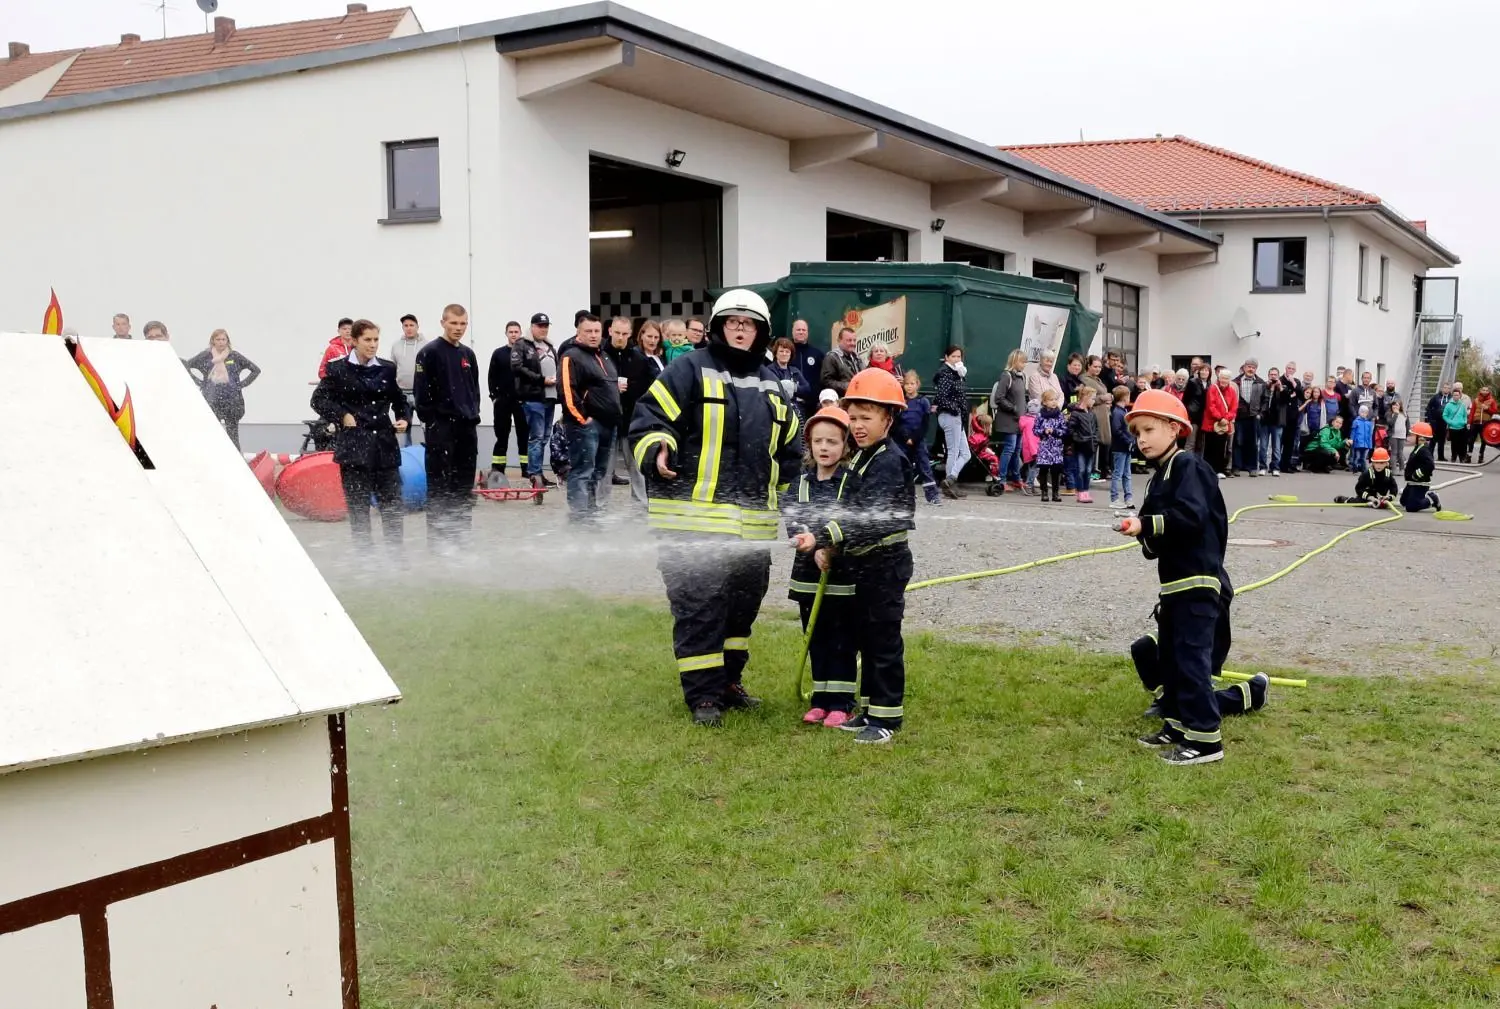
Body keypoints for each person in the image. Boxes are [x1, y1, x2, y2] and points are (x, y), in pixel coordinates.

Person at [629, 289, 803, 726]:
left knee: (741, 609)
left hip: (752, 530)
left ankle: (728, 682)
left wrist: (792, 505)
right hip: (691, 524)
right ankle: (703, 697)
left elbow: (791, 452)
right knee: (699, 608)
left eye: (749, 323)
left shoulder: (773, 384)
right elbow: (648, 420)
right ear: (719, 327)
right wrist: (658, 448)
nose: (741, 329)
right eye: (733, 322)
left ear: (761, 331)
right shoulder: (688, 368)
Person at [1115, 389, 1232, 766]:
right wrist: (1141, 530)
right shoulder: (1158, 479)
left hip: (1199, 581)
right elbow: (1155, 536)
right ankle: (1178, 724)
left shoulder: (1189, 467)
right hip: (1174, 586)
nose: (1141, 439)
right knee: (1173, 659)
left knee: (1192, 659)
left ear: (1174, 428)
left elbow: (1193, 517)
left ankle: (1206, 741)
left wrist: (1146, 524)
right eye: (1136, 433)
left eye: (1149, 429)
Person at [805, 368, 914, 745]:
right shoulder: (864, 458)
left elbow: (868, 518)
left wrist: (825, 536)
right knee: (867, 640)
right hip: (865, 565)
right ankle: (868, 709)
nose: (857, 425)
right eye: (852, 417)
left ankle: (886, 719)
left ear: (889, 418)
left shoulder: (888, 462)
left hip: (885, 564)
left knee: (883, 643)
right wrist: (828, 543)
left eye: (867, 417)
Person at [785, 405, 859, 728]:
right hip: (807, 579)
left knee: (841, 639)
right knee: (815, 638)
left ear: (845, 446)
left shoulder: (850, 483)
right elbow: (792, 517)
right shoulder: (799, 483)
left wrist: (829, 548)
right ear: (809, 444)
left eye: (832, 441)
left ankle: (842, 702)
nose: (824, 448)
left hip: (840, 578)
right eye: (818, 441)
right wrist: (802, 539)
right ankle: (820, 700)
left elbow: (851, 521)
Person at [311, 319, 410, 545]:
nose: (373, 344)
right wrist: (342, 415)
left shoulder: (387, 368)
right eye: (367, 340)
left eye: (376, 340)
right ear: (354, 341)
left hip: (385, 448)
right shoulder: (338, 369)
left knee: (392, 508)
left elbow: (399, 401)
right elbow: (318, 400)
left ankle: (396, 560)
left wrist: (403, 418)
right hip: (354, 450)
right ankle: (365, 561)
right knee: (359, 511)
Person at [413, 305, 480, 549]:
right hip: (441, 428)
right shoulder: (429, 353)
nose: (458, 329)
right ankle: (439, 542)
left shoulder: (468, 354)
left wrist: (473, 414)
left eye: (463, 324)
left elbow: (475, 390)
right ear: (443, 322)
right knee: (441, 485)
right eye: (454, 324)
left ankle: (461, 537)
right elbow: (421, 395)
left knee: (463, 485)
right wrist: (433, 422)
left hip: (467, 428)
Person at [559, 313, 621, 523]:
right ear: (579, 332)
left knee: (599, 472)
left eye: (597, 331)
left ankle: (590, 514)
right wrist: (581, 418)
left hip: (608, 424)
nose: (593, 335)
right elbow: (567, 391)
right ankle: (579, 518)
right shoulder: (571, 356)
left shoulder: (603, 355)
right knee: (583, 471)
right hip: (585, 425)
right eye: (588, 331)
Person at [1130, 634, 1267, 721]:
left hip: (1200, 626)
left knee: (1189, 707)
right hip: (1178, 619)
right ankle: (1167, 702)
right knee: (1143, 648)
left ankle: (1250, 694)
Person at [182, 328, 261, 449]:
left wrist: (240, 385)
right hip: (212, 401)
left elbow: (255, 370)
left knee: (233, 436)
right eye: (218, 339)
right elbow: (185, 366)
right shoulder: (205, 356)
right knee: (212, 435)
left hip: (232, 402)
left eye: (223, 339)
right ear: (212, 341)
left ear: (227, 341)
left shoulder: (234, 356)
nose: (221, 342)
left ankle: (236, 462)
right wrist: (200, 383)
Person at [512, 312, 559, 488]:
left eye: (546, 326)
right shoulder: (522, 344)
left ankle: (538, 473)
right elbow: (517, 367)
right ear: (532, 326)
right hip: (533, 397)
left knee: (545, 437)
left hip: (550, 397)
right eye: (540, 326)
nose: (543, 329)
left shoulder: (550, 345)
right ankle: (535, 475)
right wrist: (541, 379)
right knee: (537, 437)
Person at [604, 316, 649, 488]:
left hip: (632, 418)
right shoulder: (601, 355)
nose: (620, 337)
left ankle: (641, 506)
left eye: (624, 333)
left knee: (635, 466)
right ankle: (600, 506)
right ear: (610, 331)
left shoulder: (639, 359)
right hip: (607, 417)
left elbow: (646, 388)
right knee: (605, 467)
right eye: (617, 333)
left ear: (630, 334)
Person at [487, 320, 529, 482]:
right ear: (506, 334)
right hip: (502, 401)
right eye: (510, 332)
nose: (513, 334)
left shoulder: (527, 352)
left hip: (522, 402)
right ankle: (498, 468)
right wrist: (494, 397)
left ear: (520, 334)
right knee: (501, 435)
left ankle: (526, 469)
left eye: (516, 332)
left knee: (524, 435)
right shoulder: (498, 353)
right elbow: (491, 376)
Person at [896, 371, 940, 504]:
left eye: (912, 384)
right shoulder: (900, 401)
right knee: (904, 467)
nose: (909, 386)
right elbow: (897, 423)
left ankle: (932, 495)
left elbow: (925, 424)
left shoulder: (923, 401)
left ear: (917, 384)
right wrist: (906, 437)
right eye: (907, 384)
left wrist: (914, 438)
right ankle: (907, 494)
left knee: (924, 467)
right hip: (903, 441)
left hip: (918, 440)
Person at [932, 345, 969, 498]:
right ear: (946, 357)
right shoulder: (945, 373)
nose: (956, 359)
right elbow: (941, 397)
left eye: (959, 356)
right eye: (953, 356)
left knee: (965, 454)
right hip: (950, 416)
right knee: (953, 451)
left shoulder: (956, 373)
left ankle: (951, 479)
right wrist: (955, 409)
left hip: (956, 417)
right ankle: (950, 484)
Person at [990, 349, 1027, 491]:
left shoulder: (1022, 377)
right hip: (1008, 420)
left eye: (1024, 362)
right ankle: (1002, 479)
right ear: (1014, 361)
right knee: (1009, 448)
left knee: (1017, 450)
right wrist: (1013, 408)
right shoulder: (1006, 376)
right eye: (1022, 362)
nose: (1023, 365)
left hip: (1019, 420)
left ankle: (1016, 478)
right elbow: (999, 397)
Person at [391, 313, 428, 446]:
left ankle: (431, 453)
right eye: (405, 325)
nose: (409, 328)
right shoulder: (396, 346)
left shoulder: (427, 346)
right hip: (402, 394)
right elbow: (393, 368)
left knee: (427, 426)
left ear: (417, 326)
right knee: (404, 428)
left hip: (421, 393)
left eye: (411, 325)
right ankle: (407, 454)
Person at [1066, 385, 1099, 504]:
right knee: (1080, 469)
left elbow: (1096, 429)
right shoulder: (1076, 413)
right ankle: (1080, 491)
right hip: (1080, 446)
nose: (1094, 401)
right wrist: (1079, 439)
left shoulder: (1092, 414)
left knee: (1089, 470)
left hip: (1091, 446)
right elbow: (1071, 430)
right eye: (1092, 398)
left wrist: (1095, 440)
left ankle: (1086, 491)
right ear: (1085, 397)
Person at [1232, 359, 1266, 476]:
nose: (1251, 369)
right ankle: (1236, 467)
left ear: (1256, 369)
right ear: (1244, 367)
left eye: (1253, 367)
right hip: (1239, 417)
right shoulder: (1235, 382)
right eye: (1249, 366)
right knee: (1238, 442)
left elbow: (1265, 400)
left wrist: (1260, 414)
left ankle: (1252, 468)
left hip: (1253, 417)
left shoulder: (1261, 383)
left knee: (1253, 443)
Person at [1081, 355, 1112, 481]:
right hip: (1094, 413)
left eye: (1099, 367)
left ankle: (1102, 469)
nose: (1098, 369)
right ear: (1088, 366)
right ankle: (1092, 471)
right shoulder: (1085, 379)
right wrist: (1103, 398)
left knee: (1104, 442)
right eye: (1095, 366)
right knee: (1094, 443)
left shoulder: (1098, 380)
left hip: (1103, 413)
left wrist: (1110, 398)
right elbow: (1087, 396)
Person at [1034, 388, 1068, 502]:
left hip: (1056, 447)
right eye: (1051, 400)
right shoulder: (1040, 415)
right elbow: (1035, 430)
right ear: (1044, 402)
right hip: (1044, 446)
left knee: (1056, 470)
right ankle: (1044, 492)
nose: (1054, 402)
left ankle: (1055, 492)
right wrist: (1043, 431)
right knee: (1043, 469)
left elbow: (1064, 430)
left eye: (1055, 400)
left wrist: (1054, 431)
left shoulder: (1059, 415)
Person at [1203, 368, 1238, 477]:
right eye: (1222, 378)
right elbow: (1210, 406)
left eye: (1226, 378)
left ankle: (1219, 470)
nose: (1224, 380)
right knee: (1210, 447)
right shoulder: (1212, 389)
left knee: (1221, 447)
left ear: (1229, 380)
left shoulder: (1232, 391)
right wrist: (1220, 418)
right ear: (1219, 377)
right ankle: (1208, 470)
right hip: (1211, 423)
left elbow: (1234, 407)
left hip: (1224, 424)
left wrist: (1226, 418)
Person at [1401, 422, 1441, 512]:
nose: (1410, 437)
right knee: (1403, 501)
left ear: (1420, 437)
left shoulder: (1424, 450)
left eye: (1412, 435)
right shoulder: (1418, 448)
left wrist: (1417, 474)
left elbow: (1430, 465)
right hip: (1412, 483)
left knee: (1411, 507)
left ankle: (1432, 500)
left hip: (1420, 484)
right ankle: (1416, 498)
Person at [766, 336, 811, 418]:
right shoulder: (769, 370)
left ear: (791, 354)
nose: (784, 354)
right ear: (776, 353)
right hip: (777, 411)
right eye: (781, 351)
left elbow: (807, 389)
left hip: (795, 410)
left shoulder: (795, 371)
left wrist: (794, 387)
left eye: (787, 351)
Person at [788, 318, 824, 417]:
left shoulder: (817, 354)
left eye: (803, 330)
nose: (801, 332)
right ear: (793, 332)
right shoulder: (786, 352)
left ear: (807, 332)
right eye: (798, 330)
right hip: (791, 404)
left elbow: (823, 378)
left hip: (813, 406)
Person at [1259, 366, 1291, 476]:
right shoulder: (1264, 386)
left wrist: (1280, 387)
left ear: (1278, 376)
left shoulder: (1284, 387)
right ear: (1268, 376)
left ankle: (1275, 467)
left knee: (1276, 446)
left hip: (1277, 421)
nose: (1273, 377)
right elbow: (1261, 400)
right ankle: (1263, 466)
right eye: (1271, 375)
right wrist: (1269, 388)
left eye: (1275, 375)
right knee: (1263, 446)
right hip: (1265, 421)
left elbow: (1286, 400)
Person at [1109, 386, 1134, 510]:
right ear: (1124, 397)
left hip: (1125, 447)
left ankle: (1128, 498)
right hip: (1120, 447)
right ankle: (1114, 498)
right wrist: (1128, 440)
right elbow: (1117, 430)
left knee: (1127, 474)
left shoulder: (1123, 411)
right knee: (1118, 473)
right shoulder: (1117, 412)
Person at [820, 326, 861, 397]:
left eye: (854, 340)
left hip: (856, 398)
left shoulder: (857, 357)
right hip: (840, 401)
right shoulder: (831, 357)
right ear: (839, 340)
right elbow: (826, 381)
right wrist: (847, 386)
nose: (852, 343)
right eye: (849, 340)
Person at [1182, 362, 1208, 454]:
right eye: (1202, 370)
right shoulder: (1192, 382)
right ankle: (1187, 464)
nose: (1204, 372)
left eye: (1206, 370)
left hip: (1204, 418)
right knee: (1191, 442)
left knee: (1201, 444)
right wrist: (1188, 414)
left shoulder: (1209, 384)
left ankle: (1197, 465)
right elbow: (1185, 399)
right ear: (1199, 372)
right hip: (1193, 416)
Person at [1443, 384, 1471, 464]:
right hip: (1452, 428)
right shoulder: (1448, 405)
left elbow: (1465, 415)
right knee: (1454, 444)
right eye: (1454, 395)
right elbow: (1444, 415)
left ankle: (1462, 457)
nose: (1456, 396)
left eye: (1457, 395)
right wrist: (1450, 422)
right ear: (1453, 396)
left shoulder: (1462, 405)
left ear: (1459, 396)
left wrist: (1464, 421)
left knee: (1462, 444)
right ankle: (1453, 457)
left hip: (1462, 427)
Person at [1469, 386, 1497, 464]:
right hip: (1475, 423)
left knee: (1483, 441)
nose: (1484, 391)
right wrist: (1469, 422)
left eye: (1486, 390)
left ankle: (1481, 457)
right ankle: (1469, 456)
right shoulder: (1476, 400)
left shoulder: (1492, 401)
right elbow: (1472, 412)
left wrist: (1487, 408)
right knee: (1471, 440)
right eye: (1483, 390)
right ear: (1480, 391)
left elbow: (1494, 411)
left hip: (1485, 423)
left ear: (1488, 392)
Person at [1426, 382, 1450, 461]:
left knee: (1442, 440)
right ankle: (1430, 456)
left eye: (1448, 388)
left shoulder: (1451, 398)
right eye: (1445, 387)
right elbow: (1428, 408)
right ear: (1442, 388)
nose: (1446, 389)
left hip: (1445, 422)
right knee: (1433, 440)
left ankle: (1441, 456)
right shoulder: (1436, 397)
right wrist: (1429, 420)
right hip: (1435, 422)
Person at [1349, 405, 1374, 472]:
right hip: (1358, 443)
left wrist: (1370, 444)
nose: (1364, 414)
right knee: (1357, 456)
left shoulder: (1368, 423)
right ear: (1359, 412)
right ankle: (1355, 467)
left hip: (1366, 443)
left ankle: (1363, 468)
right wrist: (1351, 439)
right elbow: (1353, 431)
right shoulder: (1356, 421)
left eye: (1365, 412)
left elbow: (1369, 435)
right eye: (1362, 412)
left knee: (1363, 457)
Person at [1386, 396, 1408, 469]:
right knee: (1394, 452)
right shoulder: (1389, 413)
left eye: (1397, 405)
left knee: (1400, 452)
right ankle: (1394, 469)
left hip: (1402, 435)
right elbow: (1390, 423)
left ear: (1400, 406)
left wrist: (1406, 435)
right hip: (1393, 435)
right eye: (1393, 405)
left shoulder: (1404, 414)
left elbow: (1407, 425)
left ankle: (1402, 469)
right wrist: (1395, 414)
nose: (1395, 406)